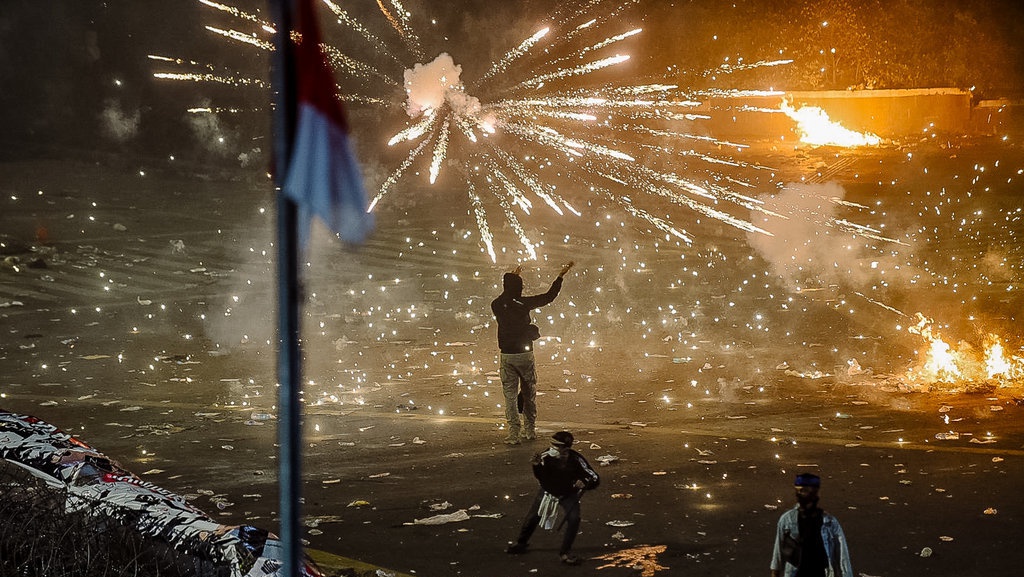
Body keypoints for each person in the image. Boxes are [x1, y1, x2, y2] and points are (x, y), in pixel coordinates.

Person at [491, 261, 574, 445]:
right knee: (528, 393)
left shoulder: (496, 304)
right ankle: (529, 430)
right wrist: (560, 276)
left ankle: (513, 433)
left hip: (507, 355)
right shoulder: (523, 304)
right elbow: (548, 297)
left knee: (510, 396)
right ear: (518, 287)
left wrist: (513, 276)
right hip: (524, 355)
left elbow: (506, 296)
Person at [506, 431, 600, 565]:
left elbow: (594, 477)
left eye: (557, 446)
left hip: (568, 494)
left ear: (566, 448)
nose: (552, 448)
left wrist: (585, 483)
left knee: (574, 519)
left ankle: (565, 552)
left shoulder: (576, 459)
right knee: (533, 517)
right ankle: (521, 543)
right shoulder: (546, 456)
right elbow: (541, 477)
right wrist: (536, 466)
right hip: (548, 491)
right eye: (552, 444)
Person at [770, 473, 854, 577]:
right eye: (798, 491)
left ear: (815, 493)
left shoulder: (829, 522)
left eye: (804, 491)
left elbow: (843, 557)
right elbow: (777, 555)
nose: (799, 494)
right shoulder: (787, 520)